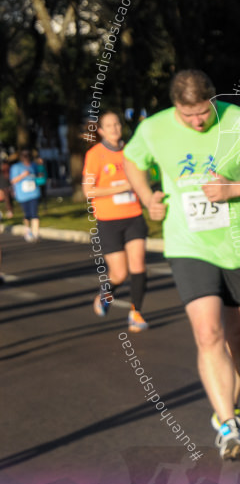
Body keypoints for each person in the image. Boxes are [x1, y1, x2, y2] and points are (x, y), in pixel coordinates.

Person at [123, 70, 240, 460]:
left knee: (239, 336)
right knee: (208, 332)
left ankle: (226, 406)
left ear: (214, 101)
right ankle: (229, 426)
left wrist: (233, 189)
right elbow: (132, 160)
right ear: (175, 106)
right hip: (187, 243)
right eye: (187, 115)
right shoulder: (154, 127)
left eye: (203, 113)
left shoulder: (238, 121)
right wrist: (147, 198)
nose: (197, 122)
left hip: (239, 244)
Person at [83, 110, 151, 331]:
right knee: (120, 273)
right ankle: (105, 294)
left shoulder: (131, 152)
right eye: (109, 125)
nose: (115, 128)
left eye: (117, 124)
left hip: (133, 216)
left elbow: (146, 175)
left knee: (138, 264)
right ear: (101, 131)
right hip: (108, 220)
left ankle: (136, 313)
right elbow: (88, 190)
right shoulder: (95, 154)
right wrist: (122, 186)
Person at [10, 150, 41, 242]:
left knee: (34, 213)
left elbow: (39, 175)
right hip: (22, 195)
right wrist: (23, 175)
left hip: (34, 193)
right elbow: (13, 181)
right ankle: (28, 230)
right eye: (24, 156)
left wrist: (41, 166)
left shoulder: (33, 165)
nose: (26, 158)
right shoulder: (16, 167)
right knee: (27, 214)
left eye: (27, 156)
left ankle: (35, 234)